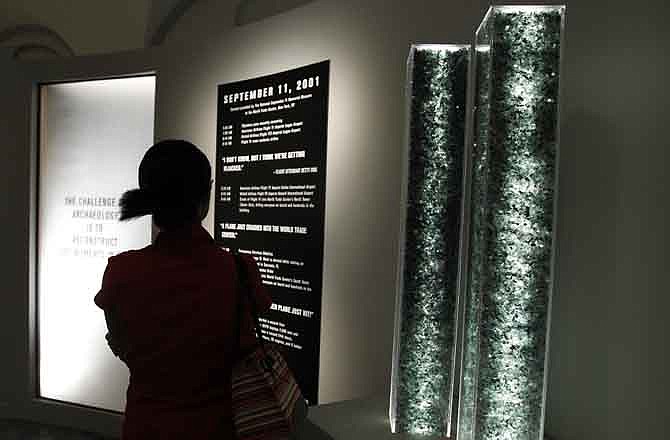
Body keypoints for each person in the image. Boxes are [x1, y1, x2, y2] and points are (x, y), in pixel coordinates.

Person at [94, 139, 271, 439]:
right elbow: (246, 350)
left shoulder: (120, 272)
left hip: (146, 426)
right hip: (218, 428)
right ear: (207, 195)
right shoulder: (239, 271)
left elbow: (122, 345)